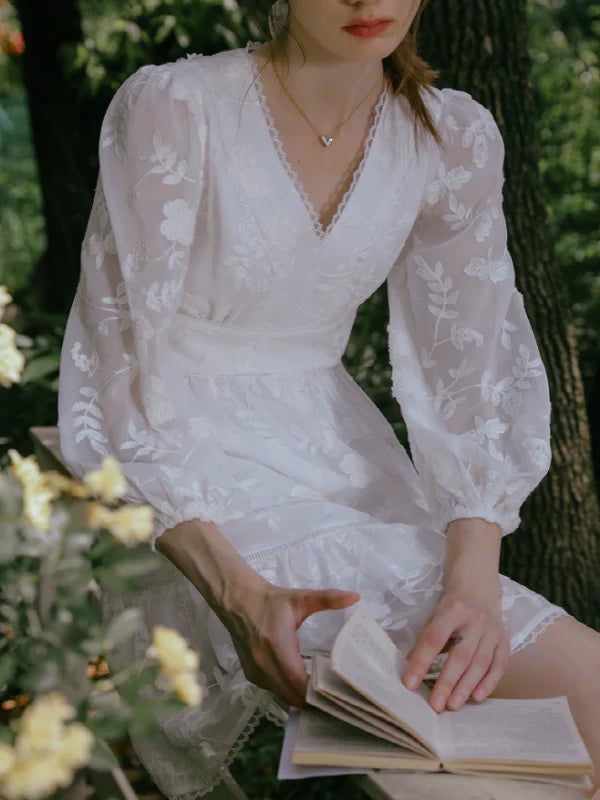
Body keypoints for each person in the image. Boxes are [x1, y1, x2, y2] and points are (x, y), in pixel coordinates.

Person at [57, 0, 600, 797]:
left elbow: (472, 376)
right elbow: (117, 374)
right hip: (185, 471)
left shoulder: (453, 137)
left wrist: (476, 587)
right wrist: (240, 593)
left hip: (347, 467)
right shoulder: (176, 106)